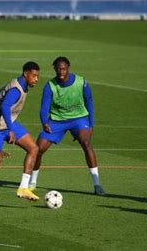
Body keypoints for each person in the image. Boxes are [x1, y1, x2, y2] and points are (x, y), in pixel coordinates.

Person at [31, 57, 105, 195]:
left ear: (68, 68)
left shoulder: (81, 82)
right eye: (58, 68)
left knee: (86, 143)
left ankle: (97, 184)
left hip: (78, 118)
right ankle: (32, 182)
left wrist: (91, 123)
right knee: (38, 149)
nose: (61, 71)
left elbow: (89, 100)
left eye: (63, 68)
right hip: (57, 120)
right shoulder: (50, 86)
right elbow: (44, 108)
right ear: (54, 69)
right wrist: (44, 122)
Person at [0, 62, 40, 208]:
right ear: (25, 74)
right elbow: (5, 106)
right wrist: (10, 129)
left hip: (8, 123)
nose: (36, 79)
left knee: (33, 148)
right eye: (34, 76)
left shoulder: (18, 84)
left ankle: (23, 187)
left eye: (37, 76)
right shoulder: (16, 90)